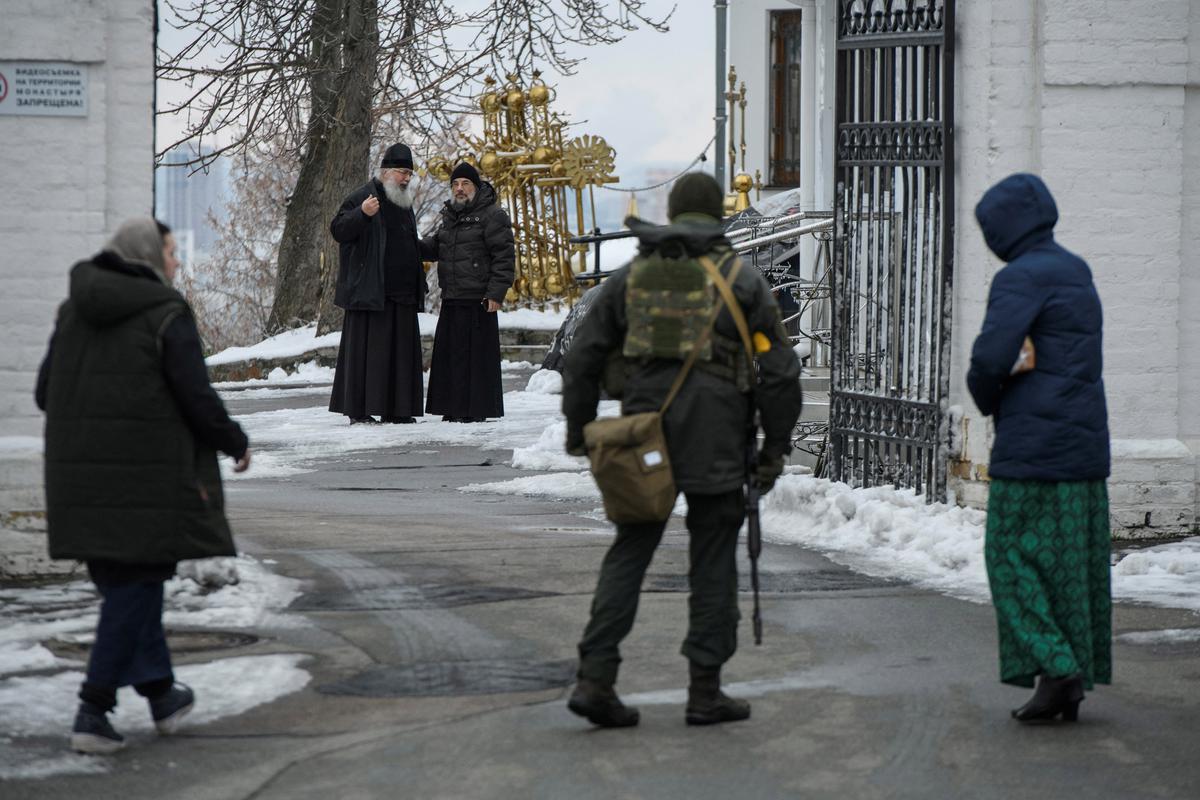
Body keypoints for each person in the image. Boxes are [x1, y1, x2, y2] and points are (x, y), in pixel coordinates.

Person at [561, 173, 803, 728]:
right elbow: (780, 372)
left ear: (672, 213)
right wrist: (775, 448)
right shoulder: (742, 280)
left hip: (643, 436)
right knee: (713, 555)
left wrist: (579, 431)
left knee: (631, 547)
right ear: (717, 216)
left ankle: (595, 678)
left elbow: (582, 359)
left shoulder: (629, 278)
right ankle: (705, 691)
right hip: (718, 436)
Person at [36, 217, 251, 754]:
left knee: (129, 586)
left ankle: (161, 694)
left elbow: (45, 392)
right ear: (147, 257)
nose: (176, 262)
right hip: (146, 479)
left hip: (77, 478)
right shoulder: (165, 313)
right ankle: (94, 709)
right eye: (171, 252)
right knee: (135, 589)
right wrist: (235, 441)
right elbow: (196, 396)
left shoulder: (72, 310)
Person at [967, 173, 1111, 724]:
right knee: (1068, 569)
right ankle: (1063, 683)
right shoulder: (1076, 271)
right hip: (1084, 450)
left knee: (1007, 556)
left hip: (1032, 451)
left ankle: (1058, 666)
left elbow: (990, 358)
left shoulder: (1018, 279)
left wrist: (985, 396)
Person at [328, 142, 428, 424]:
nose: (406, 178)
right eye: (401, 172)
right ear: (385, 171)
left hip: (402, 293)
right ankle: (359, 411)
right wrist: (362, 213)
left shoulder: (403, 202)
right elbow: (338, 230)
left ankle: (397, 410)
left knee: (399, 356)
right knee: (369, 356)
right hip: (372, 292)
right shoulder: (363, 197)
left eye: (409, 173)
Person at [419, 162, 515, 422]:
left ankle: (475, 411)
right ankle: (454, 409)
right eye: (455, 184)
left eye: (465, 184)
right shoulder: (450, 216)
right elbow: (436, 246)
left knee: (476, 359)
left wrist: (496, 294)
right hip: (452, 297)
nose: (459, 189)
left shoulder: (493, 215)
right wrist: (410, 245)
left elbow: (504, 257)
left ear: (476, 186)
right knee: (453, 357)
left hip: (479, 299)